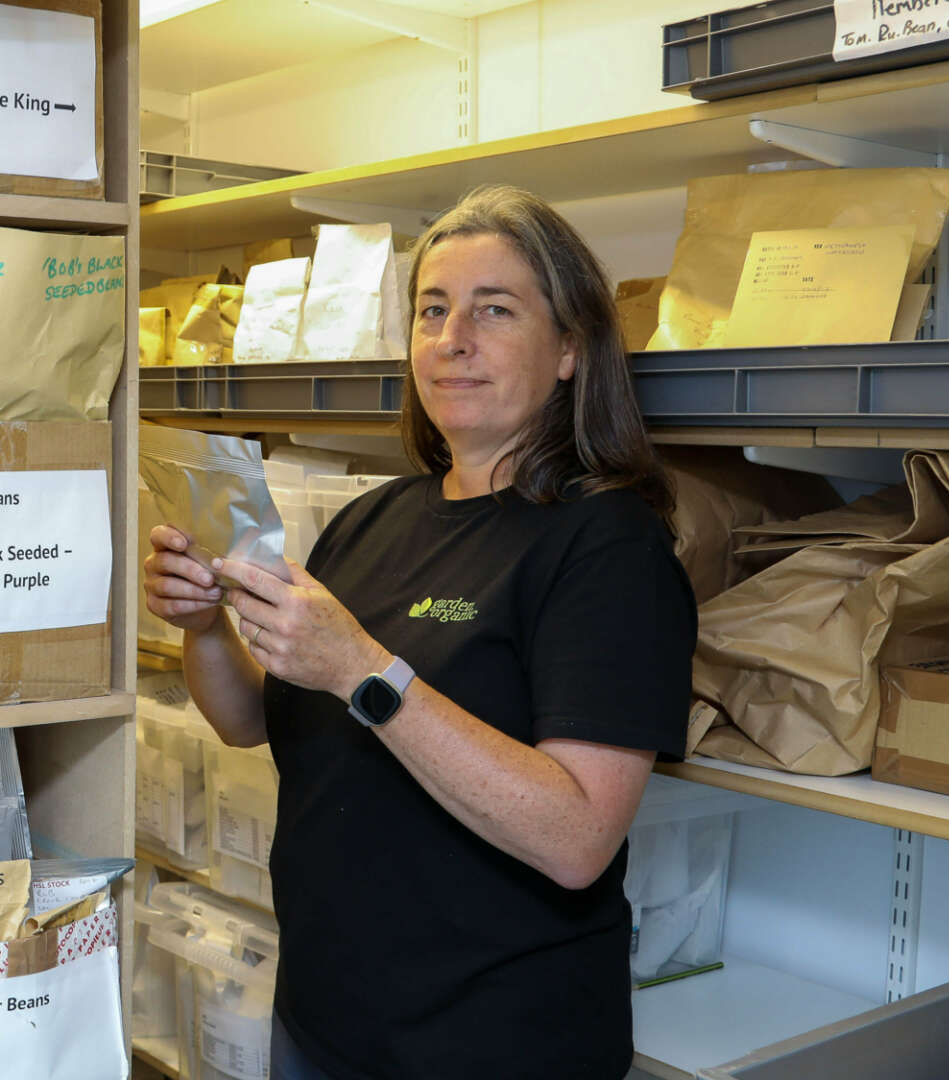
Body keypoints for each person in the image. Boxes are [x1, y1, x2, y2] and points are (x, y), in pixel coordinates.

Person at [142, 184, 695, 1080]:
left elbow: (576, 837)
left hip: (493, 1044)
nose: (453, 339)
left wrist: (364, 670)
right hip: (325, 1020)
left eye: (495, 309)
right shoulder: (373, 520)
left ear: (569, 349)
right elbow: (251, 720)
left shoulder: (609, 545)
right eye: (432, 310)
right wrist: (205, 626)